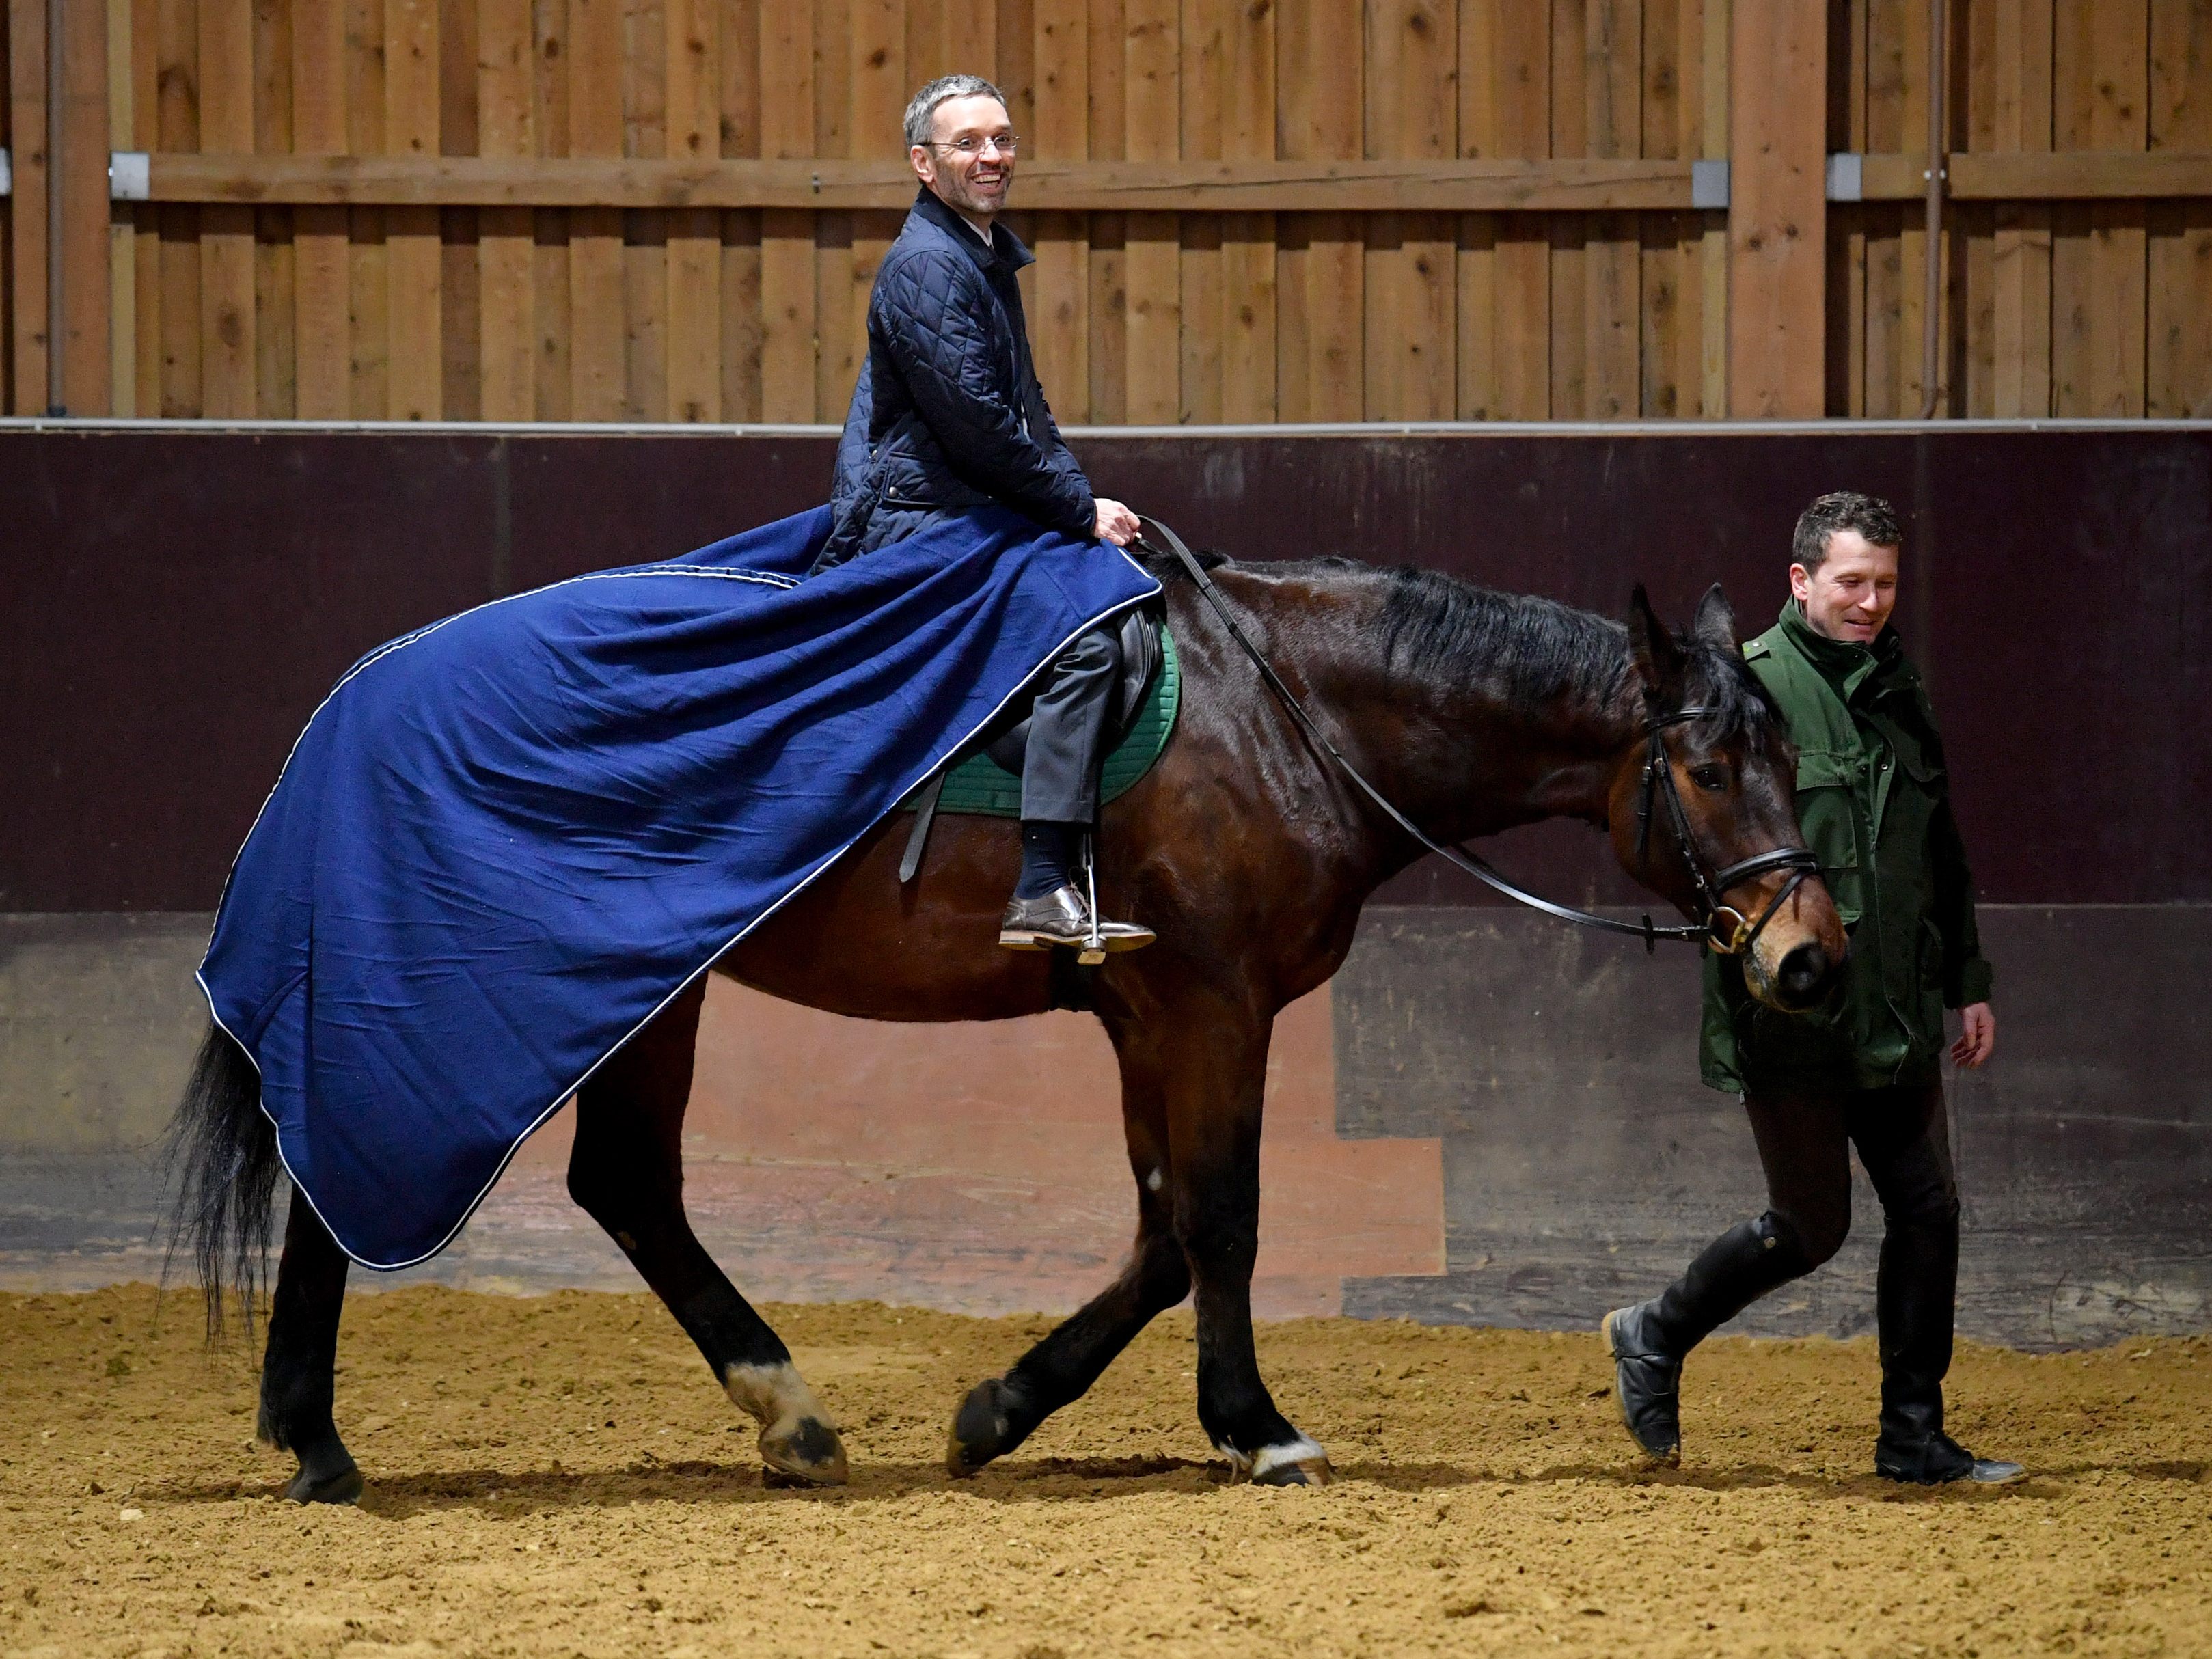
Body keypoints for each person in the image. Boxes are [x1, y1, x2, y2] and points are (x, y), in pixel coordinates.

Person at [1604, 491, 2022, 1486]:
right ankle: (1653, 1331)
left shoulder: (1898, 691)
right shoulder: (1744, 688)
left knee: (1928, 1209)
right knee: (1810, 1226)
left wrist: (1965, 983)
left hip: (1896, 1003)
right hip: (1791, 1008)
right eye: (1851, 582)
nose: (1871, 601)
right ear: (1800, 582)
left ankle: (1912, 1436)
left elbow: (1942, 853)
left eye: (1883, 583)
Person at [813, 72, 1151, 955]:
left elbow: (1026, 410)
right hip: (919, 520)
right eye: (968, 144)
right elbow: (977, 427)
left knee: (1122, 604)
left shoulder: (982, 254)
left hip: (973, 502)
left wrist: (1081, 500)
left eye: (1001, 139)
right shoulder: (928, 266)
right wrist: (1076, 510)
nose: (992, 157)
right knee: (1083, 643)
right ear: (924, 165)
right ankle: (1041, 885)